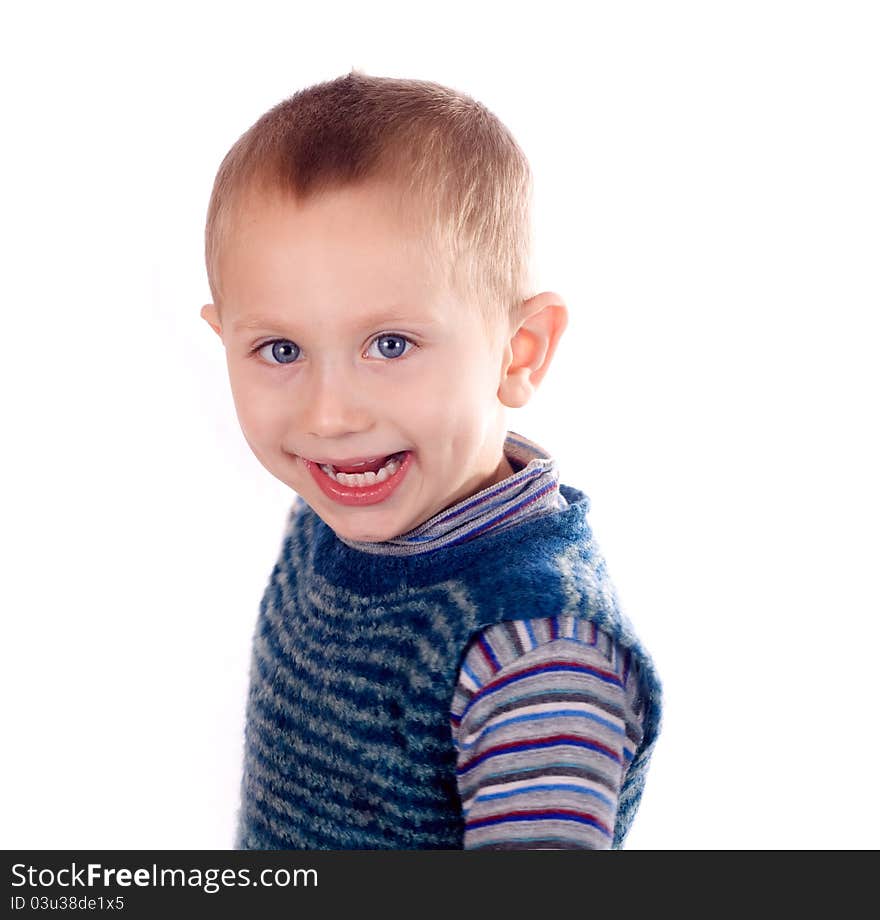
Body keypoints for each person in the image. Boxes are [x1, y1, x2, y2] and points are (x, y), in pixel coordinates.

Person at [200, 69, 662, 850]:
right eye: (280, 349)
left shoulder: (535, 651)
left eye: (390, 344)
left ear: (520, 352)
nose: (330, 415)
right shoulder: (329, 513)